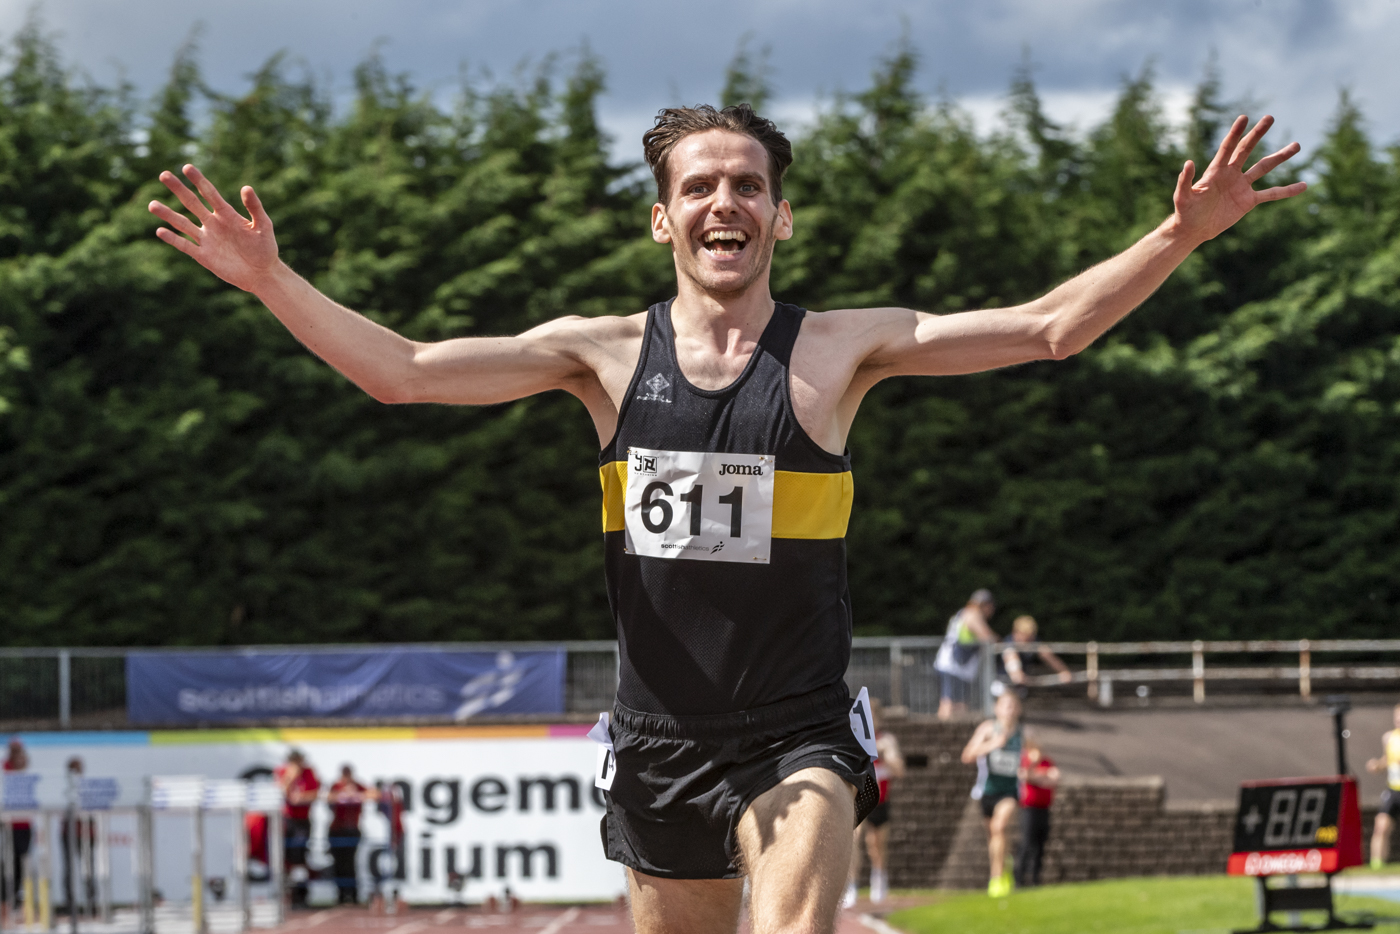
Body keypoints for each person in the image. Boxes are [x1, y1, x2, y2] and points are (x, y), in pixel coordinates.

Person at [148, 102, 1305, 933]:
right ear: (662, 221)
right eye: (698, 186)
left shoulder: (840, 349)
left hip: (797, 729)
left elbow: (1047, 328)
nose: (723, 201)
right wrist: (270, 280)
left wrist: (1179, 234)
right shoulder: (598, 357)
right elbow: (401, 372)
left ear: (779, 219)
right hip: (655, 738)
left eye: (746, 185)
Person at [961, 692, 1031, 897]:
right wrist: (992, 744)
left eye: (1013, 705)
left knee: (999, 827)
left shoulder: (1024, 733)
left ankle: (996, 878)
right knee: (994, 836)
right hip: (987, 790)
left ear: (1018, 709)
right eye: (1006, 705)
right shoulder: (987, 729)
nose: (1009, 710)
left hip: (1010, 791)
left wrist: (1029, 765)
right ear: (997, 709)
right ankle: (1004, 864)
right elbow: (967, 755)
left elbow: (1037, 752)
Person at [842, 700, 905, 908]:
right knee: (855, 839)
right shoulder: (854, 739)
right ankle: (852, 885)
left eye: (872, 717)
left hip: (880, 798)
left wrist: (883, 754)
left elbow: (899, 770)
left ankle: (879, 877)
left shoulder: (886, 740)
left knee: (876, 843)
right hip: (858, 797)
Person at [936, 589, 998, 720]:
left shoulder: (964, 613)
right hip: (954, 665)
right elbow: (987, 637)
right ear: (985, 605)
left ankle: (956, 730)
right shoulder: (972, 614)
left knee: (960, 702)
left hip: (959, 666)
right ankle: (942, 729)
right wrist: (1000, 641)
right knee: (949, 702)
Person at [275, 750, 320, 907]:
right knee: (284, 857)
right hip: (287, 820)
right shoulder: (282, 771)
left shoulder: (309, 772)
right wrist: (289, 778)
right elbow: (280, 792)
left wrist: (302, 797)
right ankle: (286, 893)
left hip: (302, 820)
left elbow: (315, 793)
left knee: (299, 855)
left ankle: (300, 894)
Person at [1014, 738, 1059, 888]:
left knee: (1040, 844)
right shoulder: (1025, 762)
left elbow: (1055, 779)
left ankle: (1035, 878)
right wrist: (1040, 775)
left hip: (1044, 808)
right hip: (1029, 809)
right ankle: (1019, 878)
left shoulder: (1047, 762)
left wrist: (1037, 778)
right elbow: (1025, 776)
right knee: (1027, 842)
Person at [1365, 703, 1400, 869]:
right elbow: (1387, 759)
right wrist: (1377, 765)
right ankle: (1377, 865)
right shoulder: (1389, 738)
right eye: (1397, 716)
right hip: (1393, 790)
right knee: (1381, 825)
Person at [327, 766, 367, 904]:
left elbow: (374, 794)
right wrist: (342, 794)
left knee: (350, 862)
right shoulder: (336, 786)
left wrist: (356, 795)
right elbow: (328, 798)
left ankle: (353, 894)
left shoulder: (358, 786)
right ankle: (341, 895)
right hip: (337, 829)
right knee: (338, 863)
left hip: (352, 829)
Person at [999, 616, 1073, 689]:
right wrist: (1018, 674)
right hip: (1002, 685)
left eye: (1031, 637)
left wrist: (1063, 671)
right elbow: (1015, 672)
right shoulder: (1009, 645)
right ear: (1016, 633)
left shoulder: (1033, 641)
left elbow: (1047, 656)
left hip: (1021, 688)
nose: (1028, 641)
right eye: (1025, 638)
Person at [2, 738, 30, 911]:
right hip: (8, 823)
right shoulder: (5, 767)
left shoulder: (27, 769)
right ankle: (5, 900)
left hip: (23, 824)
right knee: (7, 863)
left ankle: (16, 900)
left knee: (21, 863)